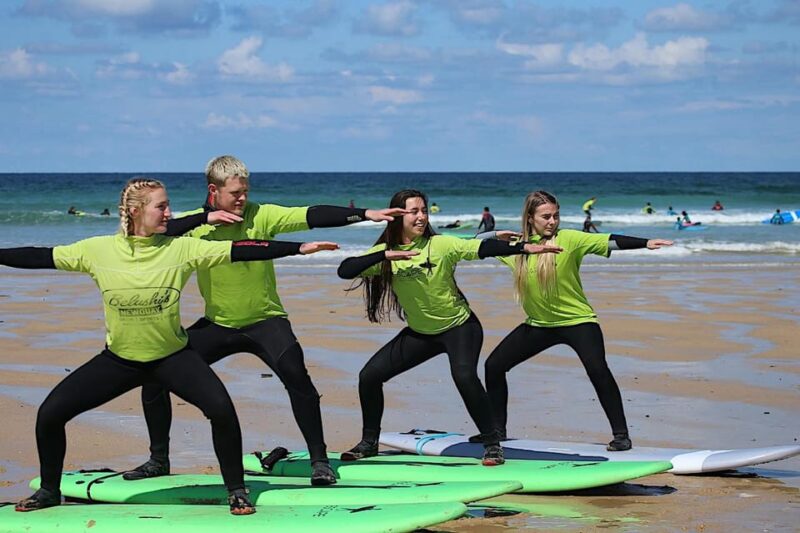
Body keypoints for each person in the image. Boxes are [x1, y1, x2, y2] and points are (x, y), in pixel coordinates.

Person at [1, 178, 338, 514]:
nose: (169, 213)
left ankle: (236, 490)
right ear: (136, 212)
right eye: (161, 206)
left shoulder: (179, 249)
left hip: (173, 358)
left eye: (168, 205)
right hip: (120, 360)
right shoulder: (97, 251)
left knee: (222, 411)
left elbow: (240, 249)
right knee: (50, 414)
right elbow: (41, 256)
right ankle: (48, 491)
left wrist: (298, 248)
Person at [126, 156, 404, 487]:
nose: (242, 198)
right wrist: (205, 217)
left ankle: (319, 462)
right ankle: (158, 460)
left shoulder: (260, 214)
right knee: (155, 377)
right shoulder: (196, 226)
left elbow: (310, 214)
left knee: (300, 382)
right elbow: (150, 233)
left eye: (245, 191)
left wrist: (364, 215)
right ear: (213, 191)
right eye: (235, 193)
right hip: (218, 324)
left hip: (266, 321)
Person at [336, 189, 562, 466]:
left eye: (424, 210)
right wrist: (383, 256)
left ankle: (492, 443)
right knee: (369, 376)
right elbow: (345, 269)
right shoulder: (384, 253)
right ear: (397, 216)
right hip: (420, 334)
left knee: (464, 377)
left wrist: (522, 248)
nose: (421, 217)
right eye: (414, 211)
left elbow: (480, 248)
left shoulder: (440, 245)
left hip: (460, 328)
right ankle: (369, 443)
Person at [474, 190, 672, 451]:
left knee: (598, 370)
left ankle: (621, 436)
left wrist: (645, 243)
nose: (552, 221)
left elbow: (608, 241)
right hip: (539, 325)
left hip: (578, 322)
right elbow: (474, 242)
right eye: (545, 216)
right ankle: (497, 431)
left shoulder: (570, 239)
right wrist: (497, 235)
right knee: (494, 366)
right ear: (530, 218)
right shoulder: (516, 248)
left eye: (555, 216)